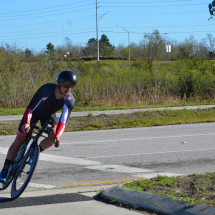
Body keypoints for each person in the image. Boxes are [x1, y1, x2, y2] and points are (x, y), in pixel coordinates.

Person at [0, 70, 78, 183]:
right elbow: (30, 108)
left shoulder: (70, 100)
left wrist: (57, 136)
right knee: (19, 140)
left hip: (48, 116)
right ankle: (5, 170)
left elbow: (63, 122)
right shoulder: (47, 89)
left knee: (54, 136)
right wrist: (27, 122)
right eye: (66, 85)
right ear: (60, 83)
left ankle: (34, 152)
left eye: (72, 86)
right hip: (34, 113)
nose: (69, 88)